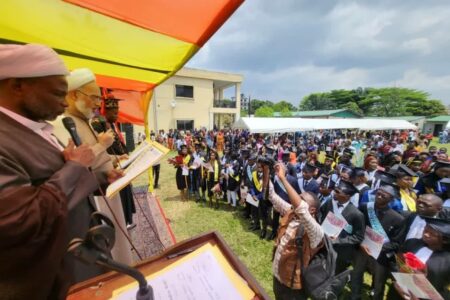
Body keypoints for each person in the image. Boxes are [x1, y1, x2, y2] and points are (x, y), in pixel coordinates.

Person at [0, 44, 98, 299]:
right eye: (56, 94)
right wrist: (74, 167)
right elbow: (18, 220)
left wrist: (77, 169)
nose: (63, 104)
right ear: (18, 86)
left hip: (71, 265)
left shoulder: (34, 127)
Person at [53, 68, 134, 273]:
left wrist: (115, 158)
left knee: (119, 243)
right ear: (73, 95)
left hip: (107, 188)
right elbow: (79, 165)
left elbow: (96, 160)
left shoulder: (83, 120)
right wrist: (102, 145)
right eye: (94, 98)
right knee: (108, 246)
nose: (99, 104)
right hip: (95, 198)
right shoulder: (61, 125)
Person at [269, 163, 324, 300]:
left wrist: (283, 178)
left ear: (312, 210)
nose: (296, 201)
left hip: (293, 288)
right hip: (279, 277)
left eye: (301, 199)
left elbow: (301, 209)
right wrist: (266, 170)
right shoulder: (292, 213)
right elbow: (272, 196)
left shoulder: (316, 231)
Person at [91, 95, 137, 229]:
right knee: (120, 201)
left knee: (126, 192)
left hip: (120, 164)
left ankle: (128, 220)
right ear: (105, 111)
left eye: (117, 110)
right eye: (114, 111)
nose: (117, 113)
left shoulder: (112, 124)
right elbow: (103, 148)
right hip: (110, 169)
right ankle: (123, 222)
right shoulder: (98, 124)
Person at [351, 185, 404, 300]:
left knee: (379, 282)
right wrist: (360, 243)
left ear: (391, 199)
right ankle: (355, 296)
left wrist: (377, 248)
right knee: (357, 274)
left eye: (383, 196)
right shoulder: (365, 207)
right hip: (362, 249)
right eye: (378, 194)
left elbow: (396, 243)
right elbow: (357, 227)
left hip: (381, 255)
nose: (379, 197)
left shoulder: (397, 219)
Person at [319, 180, 366, 273]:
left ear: (347, 196)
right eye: (335, 190)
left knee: (333, 275)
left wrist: (337, 240)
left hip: (340, 252)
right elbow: (320, 215)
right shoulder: (329, 203)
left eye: (337, 192)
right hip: (323, 244)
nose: (334, 193)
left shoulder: (356, 214)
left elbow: (358, 237)